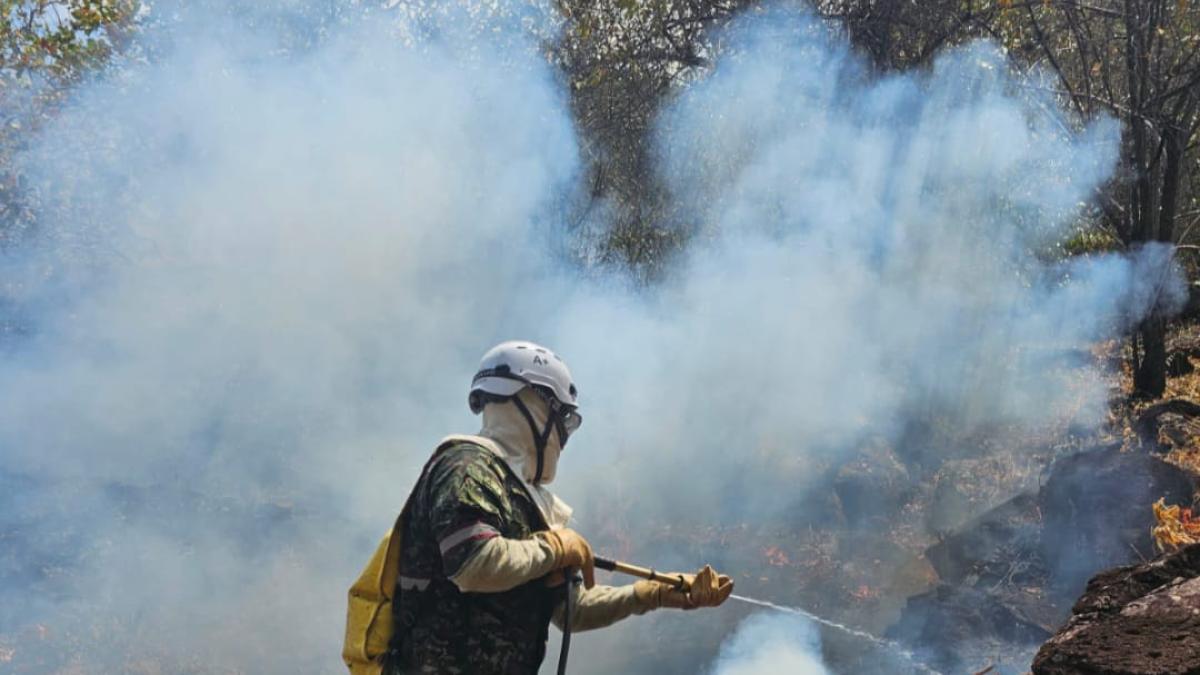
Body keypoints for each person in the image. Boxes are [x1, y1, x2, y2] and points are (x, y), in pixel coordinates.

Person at [386, 340, 733, 674]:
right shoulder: (466, 467)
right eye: (564, 418)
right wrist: (553, 547)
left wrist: (652, 594)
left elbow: (573, 611)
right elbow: (475, 564)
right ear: (534, 405)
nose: (564, 438)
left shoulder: (522, 497)